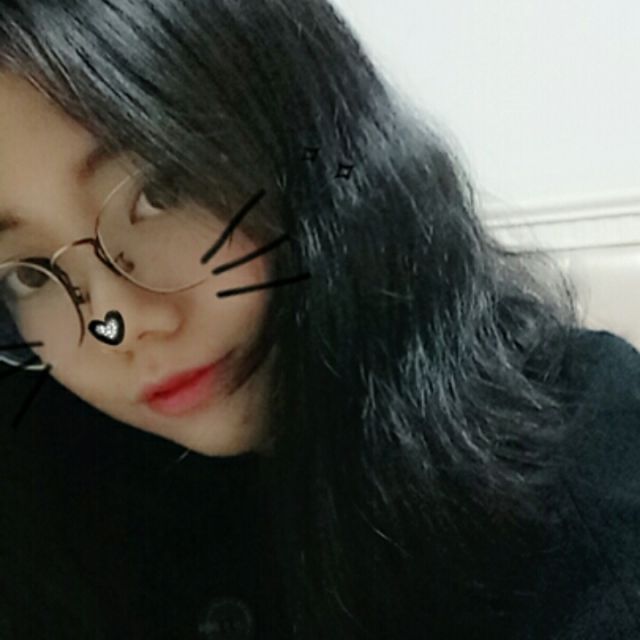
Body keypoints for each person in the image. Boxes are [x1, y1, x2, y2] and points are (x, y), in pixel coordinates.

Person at [0, 1, 638, 639]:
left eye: (159, 193)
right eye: (28, 272)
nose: (116, 323)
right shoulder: (48, 490)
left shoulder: (587, 465)